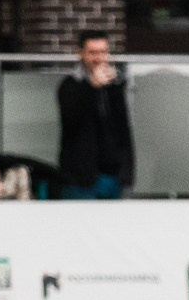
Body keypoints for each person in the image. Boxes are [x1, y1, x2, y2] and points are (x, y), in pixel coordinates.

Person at [56, 30, 136, 200]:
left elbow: (122, 128)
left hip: (115, 175)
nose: (98, 58)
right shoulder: (70, 84)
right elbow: (71, 119)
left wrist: (126, 170)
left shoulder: (115, 85)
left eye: (103, 52)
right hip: (81, 179)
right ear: (81, 53)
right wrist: (91, 86)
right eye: (93, 52)